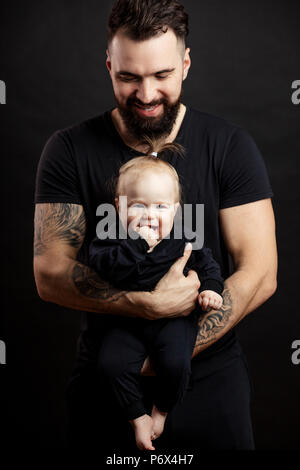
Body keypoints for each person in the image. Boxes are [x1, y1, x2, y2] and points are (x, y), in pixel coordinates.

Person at [33, 0, 277, 451]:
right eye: (128, 77)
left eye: (162, 75)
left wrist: (175, 348)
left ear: (185, 64)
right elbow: (50, 274)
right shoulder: (68, 150)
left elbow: (260, 273)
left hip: (209, 382)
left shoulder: (229, 146)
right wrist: (148, 307)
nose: (145, 94)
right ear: (109, 66)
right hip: (105, 381)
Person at [89, 144, 224, 450]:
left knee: (177, 364)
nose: (149, 215)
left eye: (160, 207)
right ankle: (137, 416)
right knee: (110, 364)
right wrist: (136, 245)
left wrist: (212, 289)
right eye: (138, 205)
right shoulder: (111, 239)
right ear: (118, 208)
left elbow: (207, 264)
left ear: (175, 211)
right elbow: (103, 267)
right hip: (127, 322)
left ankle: (160, 410)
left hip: (174, 322)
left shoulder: (183, 237)